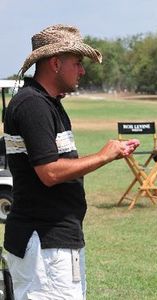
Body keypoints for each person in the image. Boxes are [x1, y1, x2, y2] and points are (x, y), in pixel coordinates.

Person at [3, 24, 140, 300]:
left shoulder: (49, 103)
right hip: (44, 243)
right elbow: (49, 172)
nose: (82, 71)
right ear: (55, 63)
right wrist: (104, 155)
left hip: (54, 241)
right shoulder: (33, 105)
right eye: (77, 63)